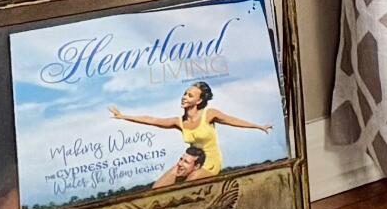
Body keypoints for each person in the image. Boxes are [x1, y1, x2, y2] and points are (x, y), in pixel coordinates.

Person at [111, 80, 271, 187]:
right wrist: (123, 116)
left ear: (199, 101)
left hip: (210, 162)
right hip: (191, 160)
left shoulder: (209, 114)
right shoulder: (179, 122)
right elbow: (152, 120)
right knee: (157, 187)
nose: (184, 97)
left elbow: (233, 120)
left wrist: (258, 126)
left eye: (190, 95)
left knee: (189, 183)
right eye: (184, 94)